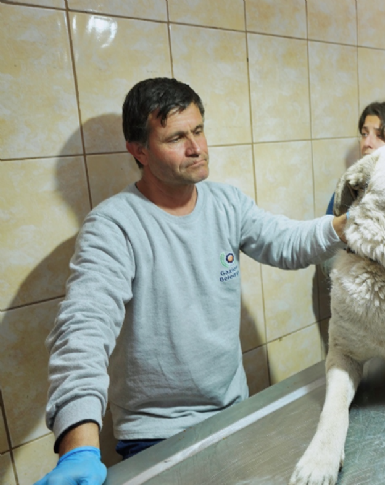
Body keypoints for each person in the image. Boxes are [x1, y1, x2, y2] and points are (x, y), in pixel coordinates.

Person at [37, 77, 348, 484]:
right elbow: (83, 332)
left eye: (199, 130)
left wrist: (353, 224)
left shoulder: (227, 203)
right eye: (176, 137)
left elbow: (288, 242)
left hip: (234, 413)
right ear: (139, 151)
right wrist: (78, 450)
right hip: (156, 436)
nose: (196, 148)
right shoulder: (113, 227)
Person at [325, 100, 385, 215]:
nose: (367, 143)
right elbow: (328, 229)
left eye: (380, 135)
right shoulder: (349, 188)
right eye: (364, 134)